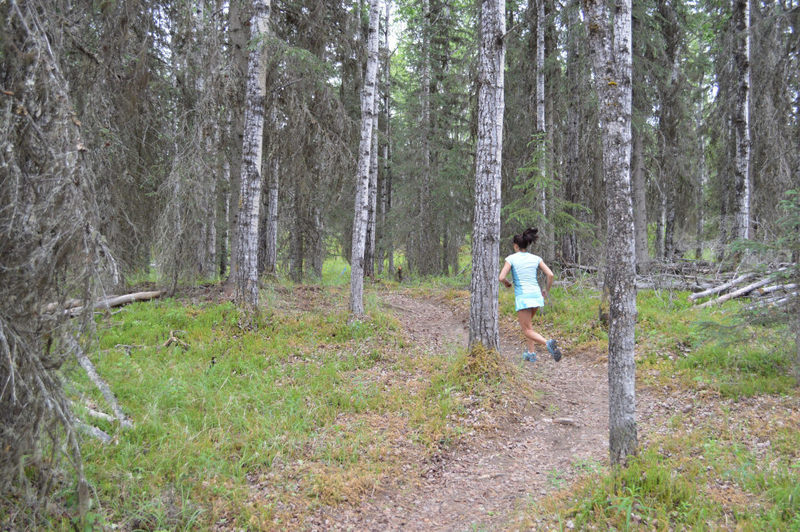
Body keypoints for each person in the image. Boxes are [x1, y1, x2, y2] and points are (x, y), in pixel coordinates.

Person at [498, 228, 563, 363]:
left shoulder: (511, 259)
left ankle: (547, 343)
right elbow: (550, 275)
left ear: (516, 246)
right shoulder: (536, 258)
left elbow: (501, 277)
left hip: (524, 297)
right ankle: (531, 353)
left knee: (526, 329)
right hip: (536, 296)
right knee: (528, 326)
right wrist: (546, 290)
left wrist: (507, 284)